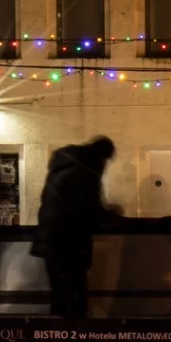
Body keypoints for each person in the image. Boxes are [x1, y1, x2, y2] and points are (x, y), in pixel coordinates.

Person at [34, 136, 116, 320]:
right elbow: (89, 211)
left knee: (60, 298)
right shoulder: (85, 172)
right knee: (74, 301)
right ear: (101, 157)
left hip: (51, 241)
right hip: (69, 243)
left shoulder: (65, 166)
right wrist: (112, 215)